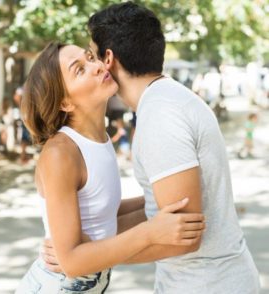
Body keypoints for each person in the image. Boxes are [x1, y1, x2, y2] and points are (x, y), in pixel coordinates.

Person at [43, 2, 260, 293]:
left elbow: (181, 234)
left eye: (92, 55)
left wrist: (84, 257)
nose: (94, 66)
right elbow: (158, 210)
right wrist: (74, 241)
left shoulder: (160, 116)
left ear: (109, 59)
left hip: (207, 284)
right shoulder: (165, 101)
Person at [15, 42, 205, 293]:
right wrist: (150, 233)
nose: (96, 66)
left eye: (90, 57)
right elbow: (71, 262)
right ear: (65, 103)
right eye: (79, 70)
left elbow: (102, 211)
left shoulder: (98, 138)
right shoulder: (60, 154)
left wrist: (162, 196)